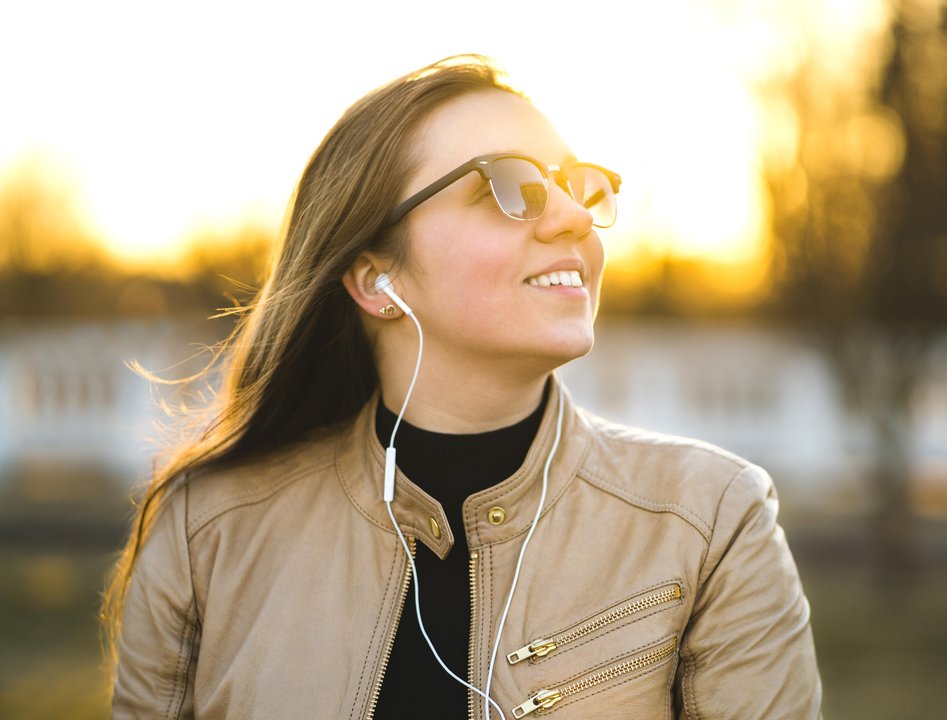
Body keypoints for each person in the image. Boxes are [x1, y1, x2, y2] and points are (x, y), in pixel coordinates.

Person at [104, 55, 822, 719]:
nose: (574, 217)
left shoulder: (712, 522)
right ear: (375, 279)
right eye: (510, 187)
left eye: (580, 187)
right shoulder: (209, 529)